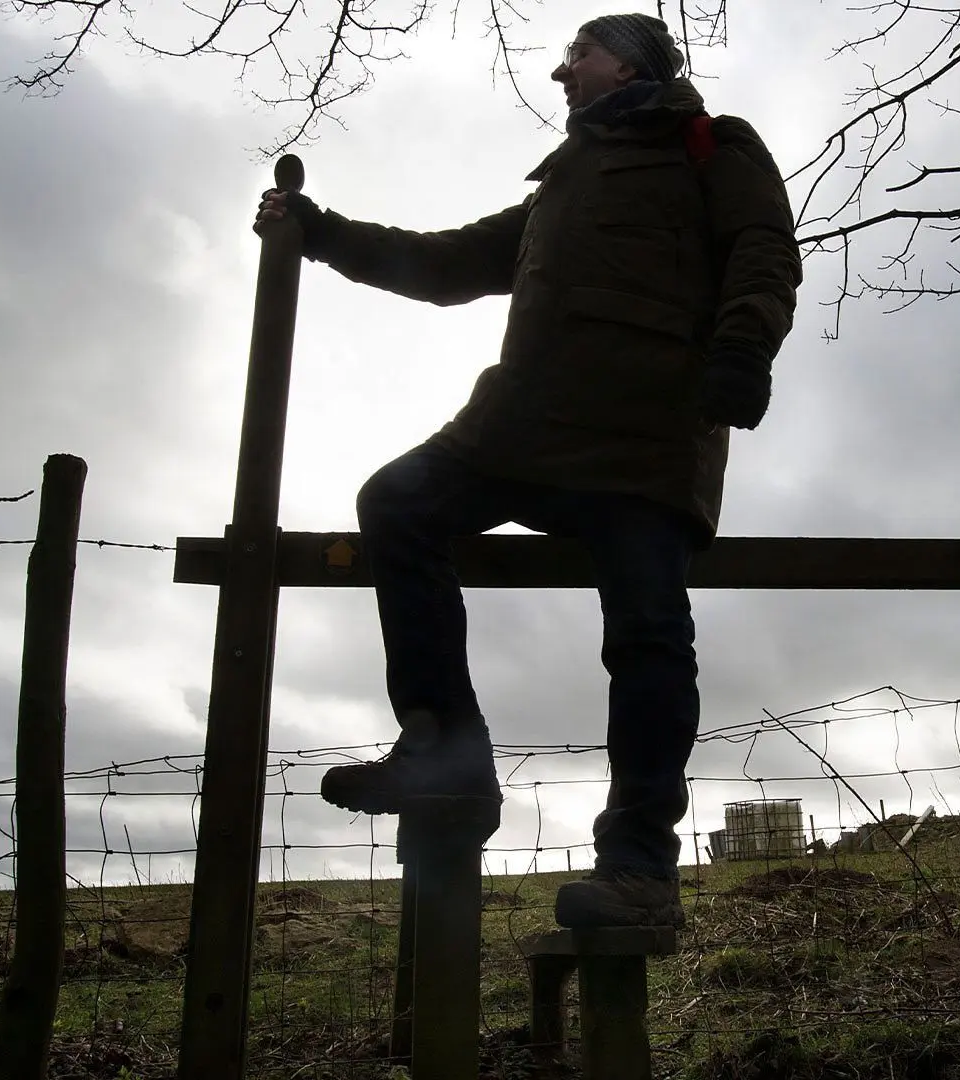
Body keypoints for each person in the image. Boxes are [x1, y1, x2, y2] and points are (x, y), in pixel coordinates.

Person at [255, 13, 802, 929]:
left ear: (630, 60)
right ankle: (447, 751)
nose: (560, 71)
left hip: (647, 431)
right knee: (399, 503)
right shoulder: (564, 182)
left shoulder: (709, 146)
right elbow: (446, 263)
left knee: (648, 636)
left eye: (578, 54)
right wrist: (323, 233)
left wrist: (744, 349)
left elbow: (764, 250)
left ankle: (638, 873)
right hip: (519, 428)